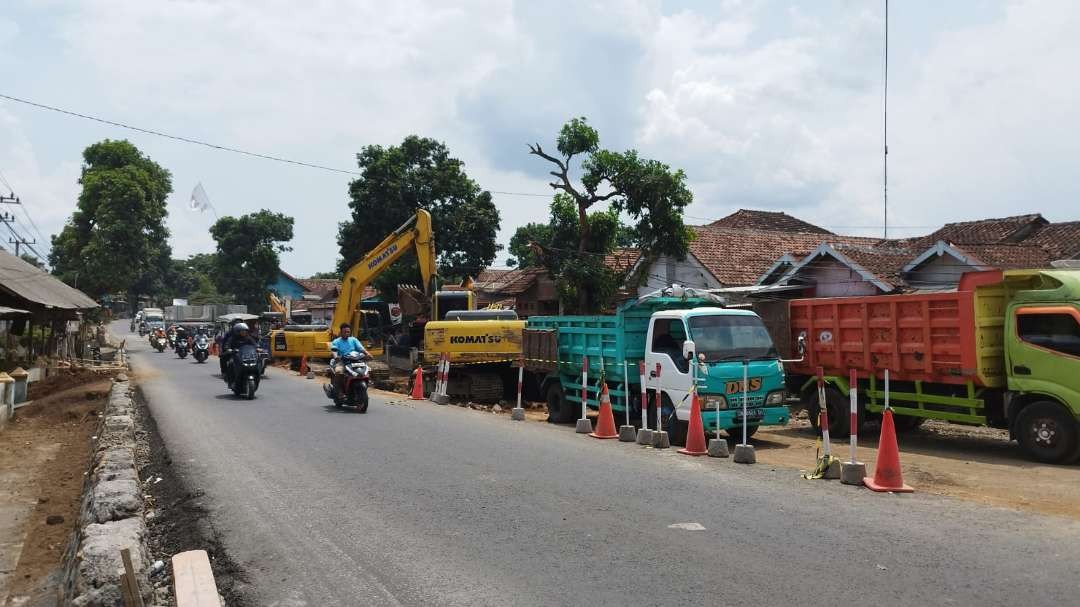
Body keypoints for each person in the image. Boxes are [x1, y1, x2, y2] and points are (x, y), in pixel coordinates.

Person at [329, 323, 368, 393]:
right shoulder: (336, 341)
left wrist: (368, 354)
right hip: (342, 361)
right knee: (339, 372)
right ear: (341, 332)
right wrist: (336, 357)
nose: (347, 333)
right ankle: (338, 391)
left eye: (348, 332)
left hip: (355, 360)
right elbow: (334, 351)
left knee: (366, 370)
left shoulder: (353, 340)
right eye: (345, 332)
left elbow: (361, 348)